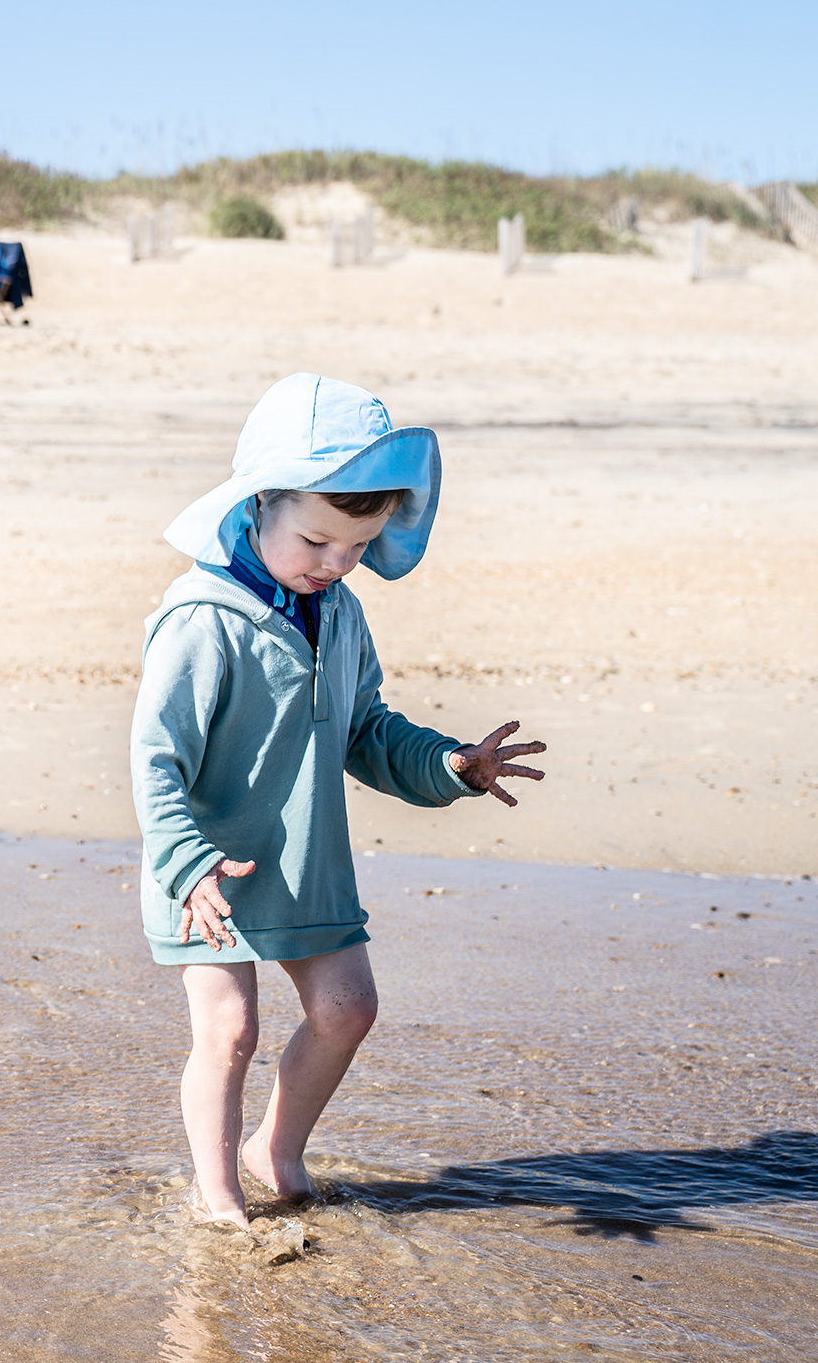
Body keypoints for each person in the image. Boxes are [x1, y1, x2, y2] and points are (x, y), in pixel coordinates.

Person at [130, 373, 545, 1228]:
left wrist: (450, 764)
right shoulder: (203, 618)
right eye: (316, 540)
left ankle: (273, 1147)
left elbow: (367, 729)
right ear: (259, 504)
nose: (335, 564)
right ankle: (216, 1191)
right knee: (230, 1028)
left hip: (304, 858)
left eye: (356, 549)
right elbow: (155, 756)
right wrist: (186, 862)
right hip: (205, 865)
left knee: (348, 1008)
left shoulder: (341, 614)